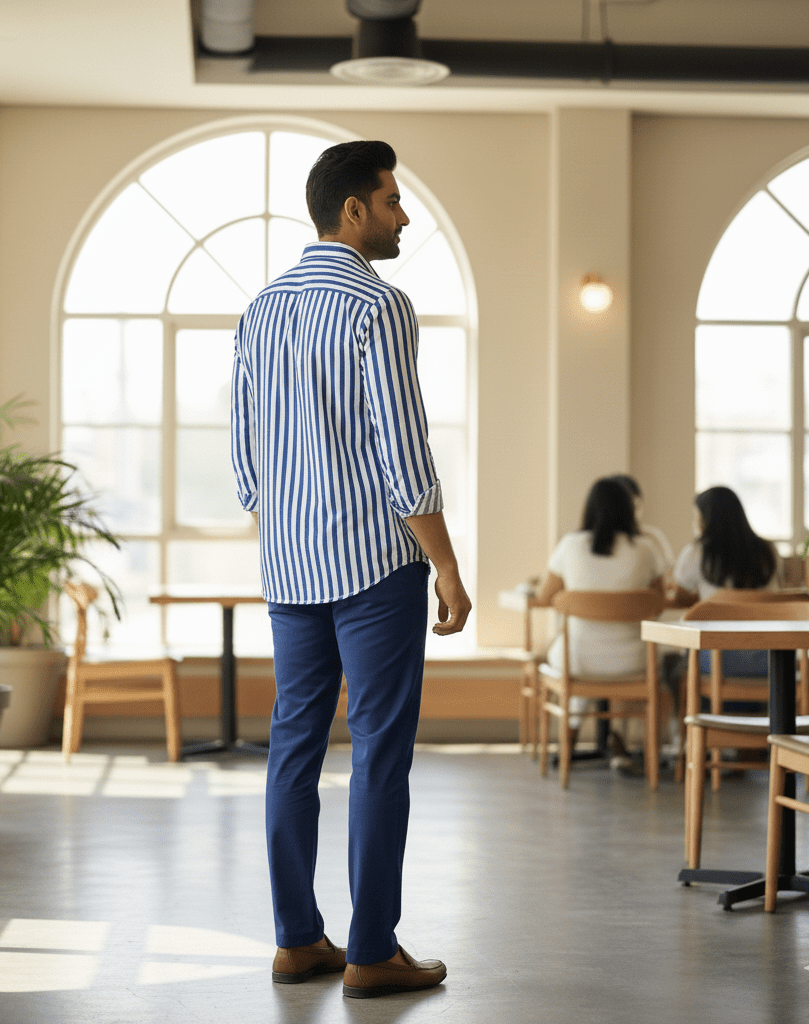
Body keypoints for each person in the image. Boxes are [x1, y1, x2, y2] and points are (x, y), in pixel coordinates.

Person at [230, 140, 471, 999]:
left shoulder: (260, 309)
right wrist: (446, 565)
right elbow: (404, 455)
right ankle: (373, 952)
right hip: (374, 568)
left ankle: (298, 942)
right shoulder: (379, 306)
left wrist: (293, 525)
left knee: (292, 748)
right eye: (393, 200)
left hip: (290, 571)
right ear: (354, 210)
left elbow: (246, 462)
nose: (405, 215)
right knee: (378, 753)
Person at [536, 477, 663, 756]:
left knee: (571, 649)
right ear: (630, 509)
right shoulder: (646, 549)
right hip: (634, 661)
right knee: (619, 653)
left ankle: (568, 739)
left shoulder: (570, 545)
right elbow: (657, 602)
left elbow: (546, 597)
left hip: (578, 659)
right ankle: (620, 738)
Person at [671, 484, 779, 677]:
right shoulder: (768, 550)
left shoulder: (697, 552)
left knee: (678, 660)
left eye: (696, 517)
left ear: (705, 520)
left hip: (717, 663)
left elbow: (679, 598)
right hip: (768, 660)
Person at [606, 474, 675, 586]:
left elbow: (669, 577)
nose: (633, 514)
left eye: (637, 507)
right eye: (628, 508)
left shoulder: (654, 537)